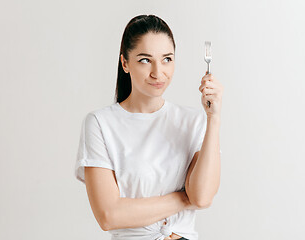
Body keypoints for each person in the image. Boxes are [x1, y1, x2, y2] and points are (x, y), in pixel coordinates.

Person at [75, 14, 223, 240]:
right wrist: (184, 198)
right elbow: (108, 215)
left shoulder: (193, 120)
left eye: (167, 59)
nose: (158, 72)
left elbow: (202, 197)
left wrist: (213, 117)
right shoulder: (100, 123)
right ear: (125, 63)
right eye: (145, 60)